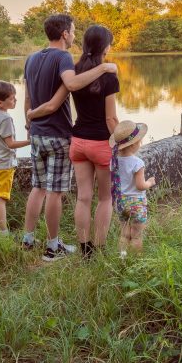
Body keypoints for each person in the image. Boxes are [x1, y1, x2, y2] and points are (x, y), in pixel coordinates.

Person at [22, 14, 118, 262]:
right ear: (65, 33)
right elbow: (69, 90)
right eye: (72, 31)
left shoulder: (32, 58)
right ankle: (56, 247)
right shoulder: (65, 58)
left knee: (40, 188)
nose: (74, 35)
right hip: (60, 134)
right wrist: (105, 67)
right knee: (61, 193)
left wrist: (29, 119)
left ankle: (29, 239)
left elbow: (28, 98)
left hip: (43, 135)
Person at [0, 80, 30, 235]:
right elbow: (10, 144)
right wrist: (30, 141)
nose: (15, 100)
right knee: (1, 199)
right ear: (0, 102)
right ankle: (3, 232)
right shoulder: (5, 118)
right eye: (11, 98)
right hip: (3, 165)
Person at [109, 120, 156, 258]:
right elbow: (140, 186)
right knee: (136, 236)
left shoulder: (114, 161)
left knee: (124, 235)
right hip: (136, 204)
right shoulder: (137, 163)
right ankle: (135, 262)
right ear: (134, 144)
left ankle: (123, 258)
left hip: (121, 203)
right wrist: (150, 183)